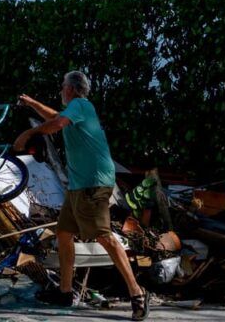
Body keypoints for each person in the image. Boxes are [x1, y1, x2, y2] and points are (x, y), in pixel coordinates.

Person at [15, 72, 148, 321]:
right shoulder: (75, 110)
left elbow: (55, 124)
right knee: (64, 233)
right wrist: (32, 104)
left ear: (72, 89)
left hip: (93, 184)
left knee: (104, 236)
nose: (60, 90)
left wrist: (28, 134)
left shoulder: (81, 104)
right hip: (79, 186)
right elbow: (55, 117)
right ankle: (65, 292)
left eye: (63, 86)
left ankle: (136, 293)